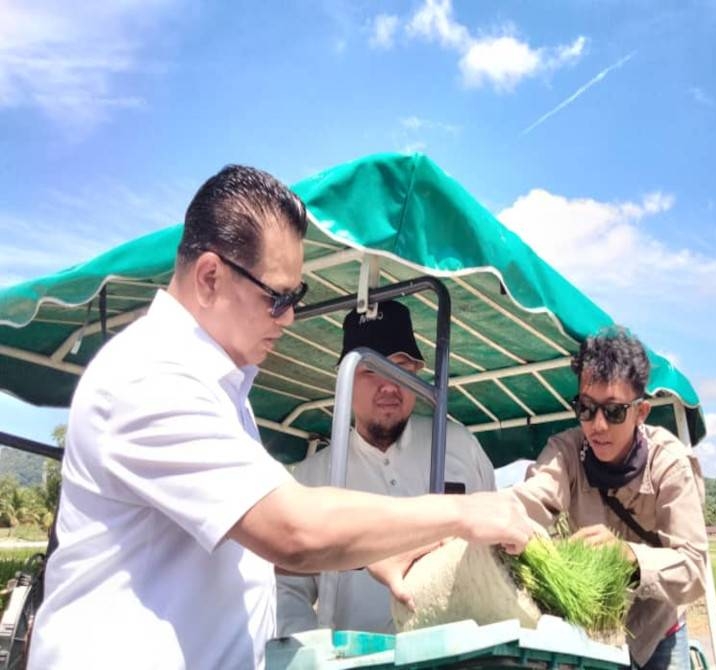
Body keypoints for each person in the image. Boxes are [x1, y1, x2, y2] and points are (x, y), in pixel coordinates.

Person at [28, 165, 531, 670]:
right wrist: (464, 514)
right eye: (279, 297)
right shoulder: (152, 376)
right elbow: (290, 530)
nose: (289, 317)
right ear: (210, 277)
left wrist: (370, 554)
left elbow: (248, 534)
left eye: (297, 298)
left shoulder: (220, 390)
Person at [277, 300, 496, 635]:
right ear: (344, 381)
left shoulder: (459, 445)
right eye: (371, 370)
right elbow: (287, 592)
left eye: (401, 367)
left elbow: (494, 554)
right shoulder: (311, 480)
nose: (390, 385)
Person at [510, 327, 707, 670]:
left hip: (658, 629)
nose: (598, 426)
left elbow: (693, 569)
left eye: (614, 412)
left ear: (641, 412)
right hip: (594, 631)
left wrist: (628, 556)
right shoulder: (566, 452)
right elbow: (530, 500)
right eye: (586, 409)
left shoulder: (670, 464)